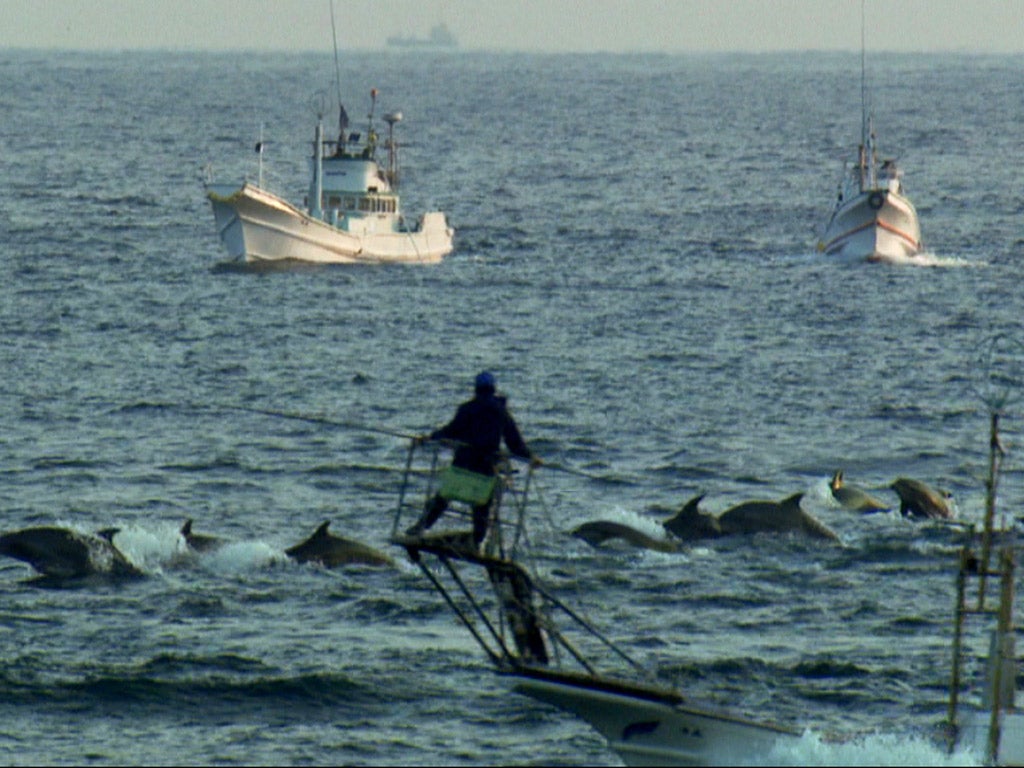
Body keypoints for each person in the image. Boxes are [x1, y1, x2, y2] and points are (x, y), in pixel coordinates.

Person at [406, 371, 541, 547]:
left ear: (476, 389)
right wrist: (531, 458)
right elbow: (514, 443)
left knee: (443, 497)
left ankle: (421, 526)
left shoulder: (466, 409)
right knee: (481, 509)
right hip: (484, 469)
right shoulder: (501, 411)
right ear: (493, 389)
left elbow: (450, 431)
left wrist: (429, 437)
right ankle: (476, 541)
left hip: (462, 465)